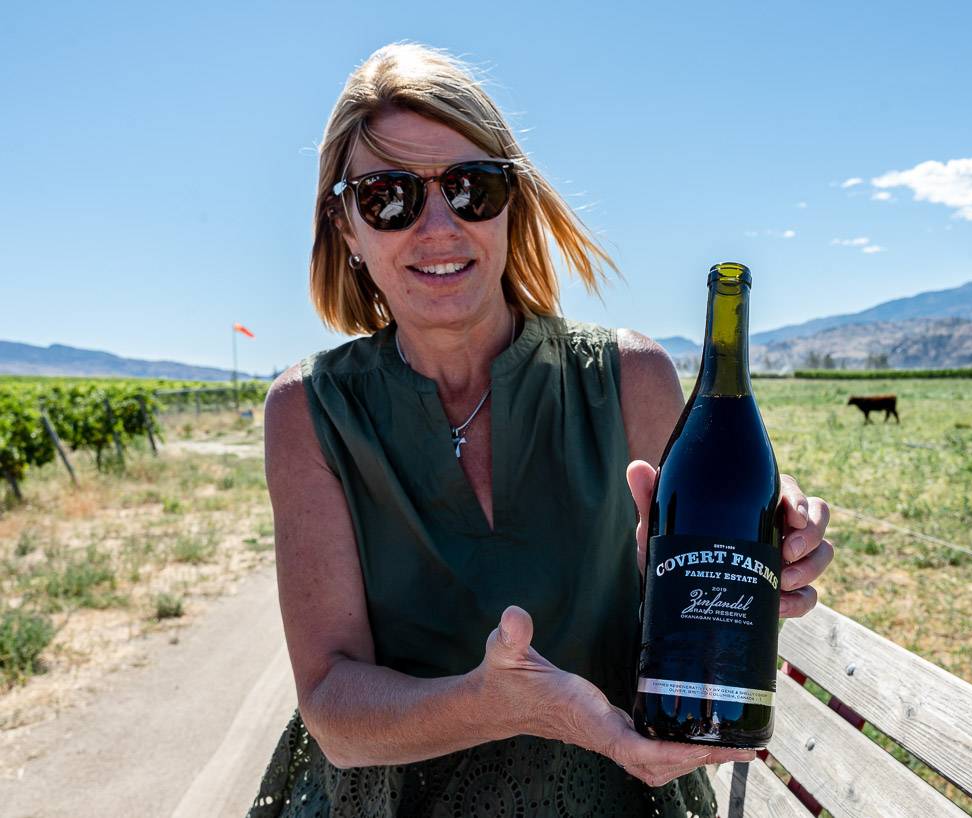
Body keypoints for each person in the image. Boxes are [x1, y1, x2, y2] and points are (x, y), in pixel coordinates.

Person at [248, 43, 834, 818]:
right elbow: (333, 713)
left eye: (470, 187)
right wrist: (502, 704)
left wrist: (760, 537)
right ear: (346, 226)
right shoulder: (311, 412)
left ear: (512, 201)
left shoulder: (631, 378)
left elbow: (694, 582)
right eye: (388, 195)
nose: (437, 226)